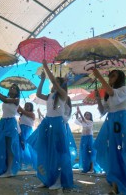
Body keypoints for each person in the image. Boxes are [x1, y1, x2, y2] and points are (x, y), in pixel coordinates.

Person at [27, 59, 73, 190]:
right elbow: (38, 94)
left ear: (60, 85)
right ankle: (46, 179)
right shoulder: (50, 96)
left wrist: (47, 68)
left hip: (57, 123)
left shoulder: (64, 95)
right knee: (45, 150)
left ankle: (58, 181)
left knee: (57, 152)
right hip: (47, 122)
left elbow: (54, 82)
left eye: (56, 83)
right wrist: (42, 80)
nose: (53, 84)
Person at [0, 73, 21, 178]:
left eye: (14, 88)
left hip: (11, 123)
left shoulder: (16, 100)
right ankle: (3, 169)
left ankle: (9, 170)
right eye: (11, 87)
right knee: (1, 146)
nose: (12, 88)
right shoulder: (6, 97)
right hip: (3, 122)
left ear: (17, 92)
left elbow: (3, 99)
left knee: (9, 147)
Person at [74, 106, 94, 173]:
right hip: (83, 138)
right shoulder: (83, 121)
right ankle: (86, 168)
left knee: (91, 153)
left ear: (90, 116)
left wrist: (80, 112)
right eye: (85, 115)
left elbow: (85, 122)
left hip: (89, 138)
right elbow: (77, 120)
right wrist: (77, 113)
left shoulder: (91, 122)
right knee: (84, 153)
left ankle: (92, 168)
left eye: (88, 115)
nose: (86, 116)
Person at [18, 102, 37, 170]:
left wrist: (17, 102)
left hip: (27, 130)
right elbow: (18, 109)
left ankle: (28, 162)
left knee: (26, 145)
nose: (26, 107)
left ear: (31, 107)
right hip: (21, 129)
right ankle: (21, 162)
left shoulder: (32, 114)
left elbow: (21, 109)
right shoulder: (22, 114)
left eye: (28, 106)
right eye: (25, 105)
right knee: (20, 146)